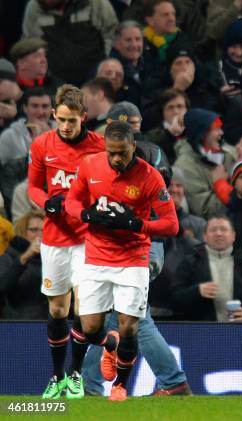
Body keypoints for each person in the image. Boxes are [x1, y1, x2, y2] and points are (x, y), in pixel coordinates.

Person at [64, 121, 179, 401]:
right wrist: (87, 215)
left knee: (130, 326)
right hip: (96, 255)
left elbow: (172, 225)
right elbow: (71, 202)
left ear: (133, 147)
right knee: (89, 328)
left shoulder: (150, 176)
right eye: (112, 152)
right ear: (105, 147)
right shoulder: (90, 165)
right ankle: (108, 344)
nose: (116, 159)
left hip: (133, 258)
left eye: (122, 153)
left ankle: (120, 386)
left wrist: (138, 224)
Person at [28, 84, 106, 399]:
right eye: (61, 119)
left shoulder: (99, 146)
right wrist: (45, 201)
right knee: (58, 309)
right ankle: (58, 376)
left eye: (72, 120)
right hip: (54, 239)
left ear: (83, 117)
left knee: (85, 311)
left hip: (88, 238)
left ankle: (76, 374)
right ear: (54, 115)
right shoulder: (41, 144)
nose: (66, 126)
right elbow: (33, 186)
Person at [171, 213, 242, 321]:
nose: (219, 233)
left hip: (240, 331)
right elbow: (174, 299)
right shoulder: (190, 262)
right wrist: (197, 291)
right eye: (213, 230)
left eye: (224, 229)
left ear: (233, 236)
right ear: (204, 236)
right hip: (200, 332)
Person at [0, 87, 53, 218]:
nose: (40, 111)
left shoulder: (64, 132)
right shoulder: (9, 136)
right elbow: (5, 174)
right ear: (25, 108)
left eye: (45, 106)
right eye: (35, 106)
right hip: (17, 195)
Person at [0, 210, 46, 320]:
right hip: (19, 323)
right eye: (34, 230)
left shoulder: (54, 258)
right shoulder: (9, 256)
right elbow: (2, 287)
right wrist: (26, 256)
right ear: (22, 231)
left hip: (52, 324)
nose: (39, 234)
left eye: (44, 230)